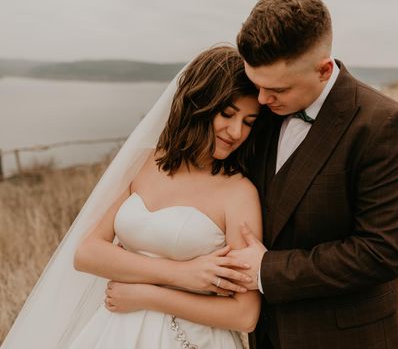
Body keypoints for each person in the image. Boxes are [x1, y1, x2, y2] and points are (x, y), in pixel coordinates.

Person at [1, 46, 263, 349]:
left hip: (191, 338)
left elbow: (245, 315)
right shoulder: (143, 163)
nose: (236, 131)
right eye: (227, 114)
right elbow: (86, 253)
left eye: (249, 122)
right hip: (117, 330)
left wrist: (149, 295)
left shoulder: (239, 193)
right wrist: (182, 273)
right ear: (198, 105)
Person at [226, 0, 398, 348]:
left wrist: (266, 270)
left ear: (323, 69)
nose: (262, 97)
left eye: (279, 89)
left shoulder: (384, 125)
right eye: (257, 83)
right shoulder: (259, 111)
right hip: (268, 335)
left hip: (350, 336)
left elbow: (379, 253)